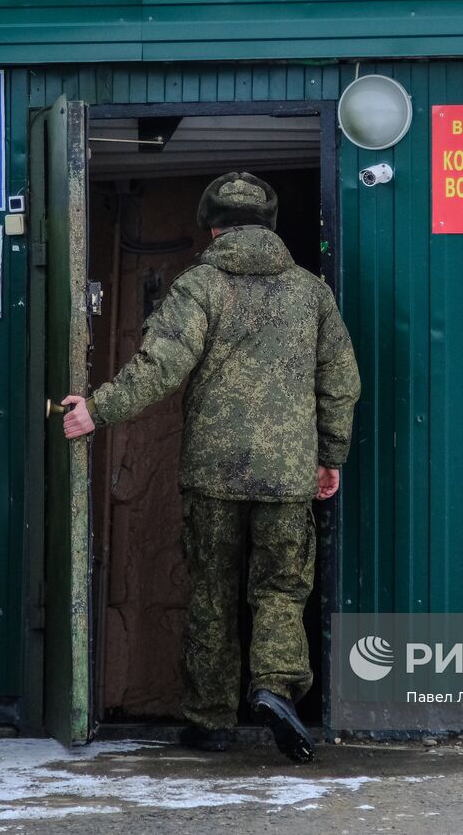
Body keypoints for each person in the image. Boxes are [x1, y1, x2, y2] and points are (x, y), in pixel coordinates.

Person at [61, 171, 360, 763]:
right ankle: (274, 688)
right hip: (287, 473)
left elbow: (161, 367)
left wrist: (96, 410)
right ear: (270, 226)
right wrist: (331, 457)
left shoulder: (199, 286)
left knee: (212, 592)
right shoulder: (312, 293)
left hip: (213, 472)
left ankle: (210, 720)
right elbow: (341, 383)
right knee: (280, 586)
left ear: (213, 226)